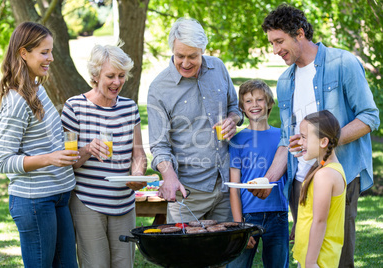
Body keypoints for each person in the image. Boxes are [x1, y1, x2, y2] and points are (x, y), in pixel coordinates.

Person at [260, 4, 380, 267]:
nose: (275, 49)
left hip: (339, 177)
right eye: (271, 43)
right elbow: (287, 139)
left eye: (279, 41)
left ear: (299, 33)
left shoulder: (342, 63)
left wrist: (325, 140)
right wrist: (268, 180)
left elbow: (370, 116)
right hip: (300, 182)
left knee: (337, 257)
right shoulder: (284, 81)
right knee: (307, 255)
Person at [0, 22, 78, 267]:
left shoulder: (36, 87)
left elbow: (44, 138)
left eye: (51, 51)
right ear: (24, 53)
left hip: (59, 194)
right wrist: (50, 158)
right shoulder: (16, 101)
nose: (51, 58)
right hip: (34, 200)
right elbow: (3, 161)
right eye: (44, 52)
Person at [147, 18, 242, 223]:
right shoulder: (159, 88)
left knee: (225, 251)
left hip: (226, 185)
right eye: (180, 55)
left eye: (193, 56)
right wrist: (168, 176)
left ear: (203, 50)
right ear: (172, 48)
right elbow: (159, 145)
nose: (186, 62)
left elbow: (235, 108)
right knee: (185, 254)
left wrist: (233, 120)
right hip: (188, 192)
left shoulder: (218, 68)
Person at [61, 43, 147, 267]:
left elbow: (138, 154)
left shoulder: (129, 108)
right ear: (95, 75)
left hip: (124, 203)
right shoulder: (74, 107)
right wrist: (88, 149)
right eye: (110, 76)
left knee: (124, 265)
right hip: (88, 202)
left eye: (121, 75)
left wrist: (137, 175)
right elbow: (67, 162)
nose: (117, 82)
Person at [226, 80, 289, 268]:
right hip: (247, 217)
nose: (254, 105)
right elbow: (234, 189)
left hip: (278, 214)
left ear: (270, 104)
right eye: (248, 101)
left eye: (260, 100)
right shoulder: (236, 140)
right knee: (237, 265)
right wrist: (239, 227)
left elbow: (292, 181)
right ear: (241, 108)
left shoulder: (283, 137)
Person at [293, 110, 346, 268]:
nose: (300, 142)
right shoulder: (324, 169)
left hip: (318, 260)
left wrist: (310, 262)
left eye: (304, 137)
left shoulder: (325, 175)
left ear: (323, 142)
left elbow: (320, 221)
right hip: (311, 256)